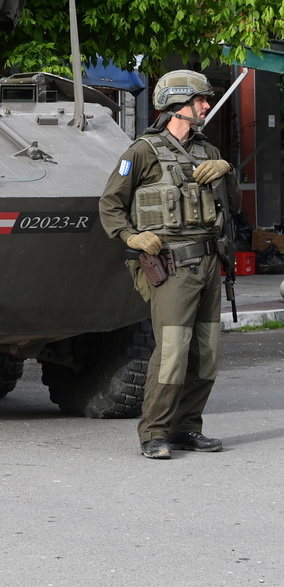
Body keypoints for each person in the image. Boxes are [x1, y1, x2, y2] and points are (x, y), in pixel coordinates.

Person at [99, 69, 241, 460]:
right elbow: (110, 205)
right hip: (170, 264)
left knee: (206, 352)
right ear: (179, 105)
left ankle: (186, 428)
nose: (207, 107)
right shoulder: (142, 152)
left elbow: (235, 208)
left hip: (209, 262)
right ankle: (155, 433)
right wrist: (131, 237)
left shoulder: (208, 151)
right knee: (174, 350)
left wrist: (228, 171)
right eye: (201, 101)